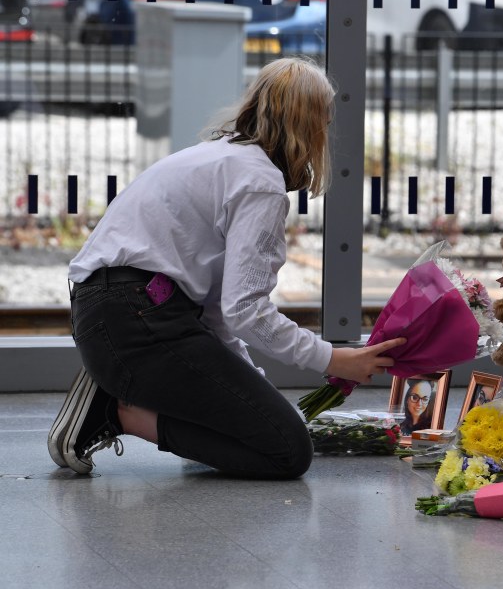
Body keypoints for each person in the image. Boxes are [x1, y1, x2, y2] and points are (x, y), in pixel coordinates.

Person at [47, 57, 404, 479]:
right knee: (287, 451)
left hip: (110, 316)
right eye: (324, 122)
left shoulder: (218, 158)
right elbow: (246, 311)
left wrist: (252, 390)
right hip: (139, 324)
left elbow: (218, 312)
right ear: (310, 127)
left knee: (263, 427)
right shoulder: (260, 183)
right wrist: (333, 359)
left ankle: (116, 393)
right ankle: (116, 413)